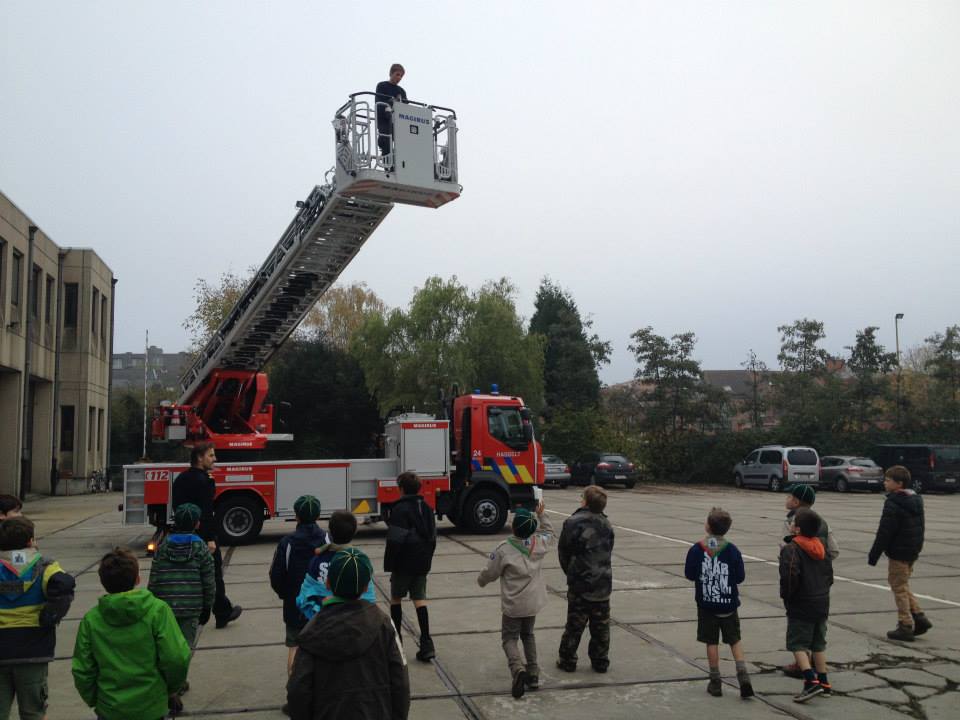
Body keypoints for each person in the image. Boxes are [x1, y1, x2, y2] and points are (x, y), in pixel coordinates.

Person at [286, 548, 410, 720]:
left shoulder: (311, 631)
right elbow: (400, 683)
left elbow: (298, 690)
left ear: (328, 583)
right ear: (366, 587)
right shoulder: (384, 625)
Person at [72, 548, 191, 720]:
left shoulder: (91, 620)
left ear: (103, 582)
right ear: (137, 579)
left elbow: (83, 670)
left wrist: (95, 700)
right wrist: (171, 689)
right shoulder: (157, 611)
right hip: (151, 705)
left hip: (110, 708)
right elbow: (176, 658)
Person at [0, 516, 75, 720]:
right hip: (33, 650)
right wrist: (49, 617)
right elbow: (64, 586)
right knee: (33, 712)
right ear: (30, 541)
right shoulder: (44, 567)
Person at [477, 502, 554, 699]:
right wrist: (542, 515)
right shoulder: (539, 543)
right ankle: (533, 673)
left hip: (513, 605)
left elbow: (490, 572)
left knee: (509, 638)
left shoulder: (504, 549)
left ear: (513, 527)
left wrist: (481, 581)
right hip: (532, 604)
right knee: (528, 635)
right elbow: (549, 533)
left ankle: (517, 669)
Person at [684, 507, 753, 699]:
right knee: (734, 640)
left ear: (707, 526)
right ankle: (743, 675)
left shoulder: (697, 549)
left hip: (707, 605)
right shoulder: (732, 550)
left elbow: (689, 574)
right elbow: (740, 577)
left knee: (711, 642)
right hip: (729, 604)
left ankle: (715, 681)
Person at [171, 441, 242, 629]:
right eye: (211, 455)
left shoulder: (181, 479)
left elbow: (177, 507)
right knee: (214, 575)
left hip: (182, 533)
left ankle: (191, 613)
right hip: (203, 536)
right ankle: (222, 613)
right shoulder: (205, 481)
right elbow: (207, 512)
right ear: (199, 458)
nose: (214, 459)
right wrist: (210, 538)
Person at [778, 483, 838, 678]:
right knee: (817, 632)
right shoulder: (820, 521)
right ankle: (820, 673)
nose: (787, 499)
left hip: (800, 587)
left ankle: (802, 666)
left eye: (789, 496)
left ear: (796, 501)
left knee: (798, 630)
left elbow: (785, 550)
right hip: (819, 586)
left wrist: (786, 593)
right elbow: (833, 550)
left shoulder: (792, 522)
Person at [868, 465, 931, 641]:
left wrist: (874, 554)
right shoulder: (915, 500)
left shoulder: (894, 503)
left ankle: (905, 624)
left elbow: (885, 531)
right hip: (912, 551)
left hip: (899, 552)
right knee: (901, 584)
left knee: (898, 587)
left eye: (888, 480)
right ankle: (919, 617)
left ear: (899, 483)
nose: (885, 483)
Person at [556, 486, 615, 674]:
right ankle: (600, 661)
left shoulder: (572, 523)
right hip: (602, 583)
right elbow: (608, 550)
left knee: (575, 624)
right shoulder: (607, 524)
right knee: (601, 626)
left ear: (586, 502)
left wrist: (571, 572)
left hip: (580, 583)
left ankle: (567, 659)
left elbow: (563, 551)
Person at [269, 495, 328, 678]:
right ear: (318, 516)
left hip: (295, 603)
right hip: (322, 604)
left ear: (296, 516)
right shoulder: (327, 540)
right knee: (322, 648)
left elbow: (276, 575)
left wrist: (285, 594)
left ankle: (294, 690)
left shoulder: (287, 543)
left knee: (294, 646)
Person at [384, 472, 437, 662]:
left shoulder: (399, 509)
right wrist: (427, 559)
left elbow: (395, 540)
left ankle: (397, 644)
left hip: (403, 562)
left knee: (395, 598)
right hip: (422, 561)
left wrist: (390, 564)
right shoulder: (427, 508)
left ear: (401, 489)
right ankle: (427, 643)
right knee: (419, 598)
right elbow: (433, 537)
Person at [148, 502, 215, 648]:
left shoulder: (163, 547)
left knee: (167, 648)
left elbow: (154, 579)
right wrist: (207, 606)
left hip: (165, 608)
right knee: (185, 648)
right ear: (197, 524)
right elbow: (209, 581)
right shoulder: (201, 548)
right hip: (191, 609)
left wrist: (151, 604)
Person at [298, 510, 376, 620]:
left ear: (330, 531)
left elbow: (306, 595)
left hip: (323, 620)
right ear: (354, 532)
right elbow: (369, 597)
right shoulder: (359, 562)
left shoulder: (317, 560)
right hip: (356, 620)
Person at [375, 63, 407, 158]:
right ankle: (387, 163)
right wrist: (390, 104)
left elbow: (406, 107)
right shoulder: (382, 86)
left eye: (401, 76)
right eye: (397, 74)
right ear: (391, 74)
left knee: (403, 143)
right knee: (385, 142)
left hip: (399, 122)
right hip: (384, 121)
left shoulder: (402, 91)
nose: (399, 78)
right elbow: (379, 103)